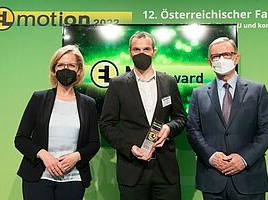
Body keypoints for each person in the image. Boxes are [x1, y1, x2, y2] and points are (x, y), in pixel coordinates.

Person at [100, 31, 186, 200]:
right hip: (132, 169)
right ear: (130, 52)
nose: (141, 53)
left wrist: (169, 128)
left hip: (165, 171)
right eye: (137, 49)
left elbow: (181, 118)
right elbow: (106, 125)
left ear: (154, 51)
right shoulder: (117, 84)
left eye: (146, 49)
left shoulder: (169, 81)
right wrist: (130, 148)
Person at [186, 37, 268, 200]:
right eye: (215, 56)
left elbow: (267, 129)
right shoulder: (198, 94)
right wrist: (213, 157)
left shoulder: (257, 90)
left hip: (249, 179)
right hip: (213, 180)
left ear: (236, 57)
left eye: (227, 54)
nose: (221, 59)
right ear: (209, 62)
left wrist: (243, 159)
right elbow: (193, 131)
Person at [14, 45, 100, 200]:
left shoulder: (88, 104)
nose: (65, 69)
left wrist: (77, 156)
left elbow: (94, 143)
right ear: (54, 70)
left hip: (73, 179)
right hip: (38, 177)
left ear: (78, 70)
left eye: (71, 65)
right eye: (60, 65)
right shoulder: (39, 99)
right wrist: (43, 155)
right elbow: (21, 139)